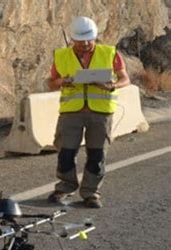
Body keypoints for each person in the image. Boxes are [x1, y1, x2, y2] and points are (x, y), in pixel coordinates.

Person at [47, 16, 130, 208]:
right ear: (72, 39)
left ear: (94, 37)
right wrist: (63, 82)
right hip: (70, 113)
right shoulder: (61, 56)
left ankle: (91, 193)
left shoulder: (110, 53)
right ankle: (64, 188)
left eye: (88, 40)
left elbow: (125, 78)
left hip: (100, 113)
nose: (84, 44)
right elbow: (51, 83)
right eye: (80, 41)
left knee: (97, 154)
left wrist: (113, 85)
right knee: (65, 153)